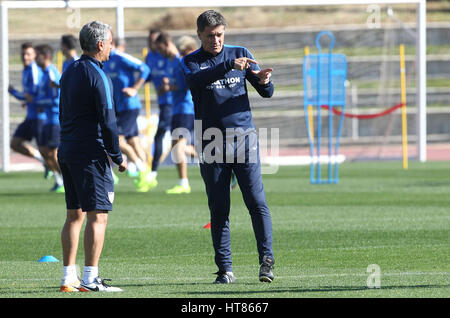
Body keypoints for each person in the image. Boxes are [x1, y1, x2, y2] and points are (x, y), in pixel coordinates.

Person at [182, 10, 275, 284]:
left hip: (244, 141)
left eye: (220, 35)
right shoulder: (191, 62)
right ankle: (225, 270)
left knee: (256, 202)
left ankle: (266, 262)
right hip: (211, 143)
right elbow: (196, 82)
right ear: (199, 35)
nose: (216, 41)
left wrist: (264, 82)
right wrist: (227, 66)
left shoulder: (240, 52)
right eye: (210, 36)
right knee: (219, 208)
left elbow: (266, 92)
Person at [58, 20, 127, 293]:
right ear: (100, 44)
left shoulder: (70, 70)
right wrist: (117, 155)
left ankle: (68, 278)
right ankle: (89, 279)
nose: (112, 47)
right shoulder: (98, 76)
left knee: (74, 215)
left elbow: (62, 111)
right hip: (90, 153)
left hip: (67, 149)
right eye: (110, 42)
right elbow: (108, 120)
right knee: (98, 216)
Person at [103, 37, 151, 191]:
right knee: (133, 141)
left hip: (129, 106)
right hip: (118, 107)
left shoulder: (120, 57)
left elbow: (145, 68)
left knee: (117, 141)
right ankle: (147, 175)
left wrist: (135, 88)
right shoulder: (105, 60)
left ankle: (140, 169)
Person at [155, 33, 197, 194]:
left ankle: (183, 183)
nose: (160, 52)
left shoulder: (181, 62)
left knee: (178, 148)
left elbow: (185, 85)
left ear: (167, 44)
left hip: (184, 109)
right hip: (177, 109)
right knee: (177, 147)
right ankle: (218, 159)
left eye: (160, 49)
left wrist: (168, 87)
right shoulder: (172, 62)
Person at [8, 42, 48, 176]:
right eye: (23, 54)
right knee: (15, 144)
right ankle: (43, 161)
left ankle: (61, 181)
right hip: (31, 116)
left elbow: (32, 96)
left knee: (49, 151)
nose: (25, 57)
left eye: (28, 54)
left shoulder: (34, 70)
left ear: (34, 55)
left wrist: (13, 92)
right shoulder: (26, 70)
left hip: (40, 116)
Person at [141, 28, 173, 191]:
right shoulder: (150, 56)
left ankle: (152, 173)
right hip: (163, 102)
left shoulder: (167, 55)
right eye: (150, 40)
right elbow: (146, 76)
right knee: (179, 140)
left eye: (154, 40)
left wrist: (168, 85)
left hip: (174, 103)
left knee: (162, 135)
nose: (151, 43)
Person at [34, 44, 64, 192]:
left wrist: (38, 102)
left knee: (53, 153)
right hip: (47, 118)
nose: (35, 58)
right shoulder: (44, 73)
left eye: (37, 55)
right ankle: (59, 179)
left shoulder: (52, 73)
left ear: (45, 57)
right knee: (43, 149)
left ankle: (66, 180)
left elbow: (55, 98)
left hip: (55, 118)